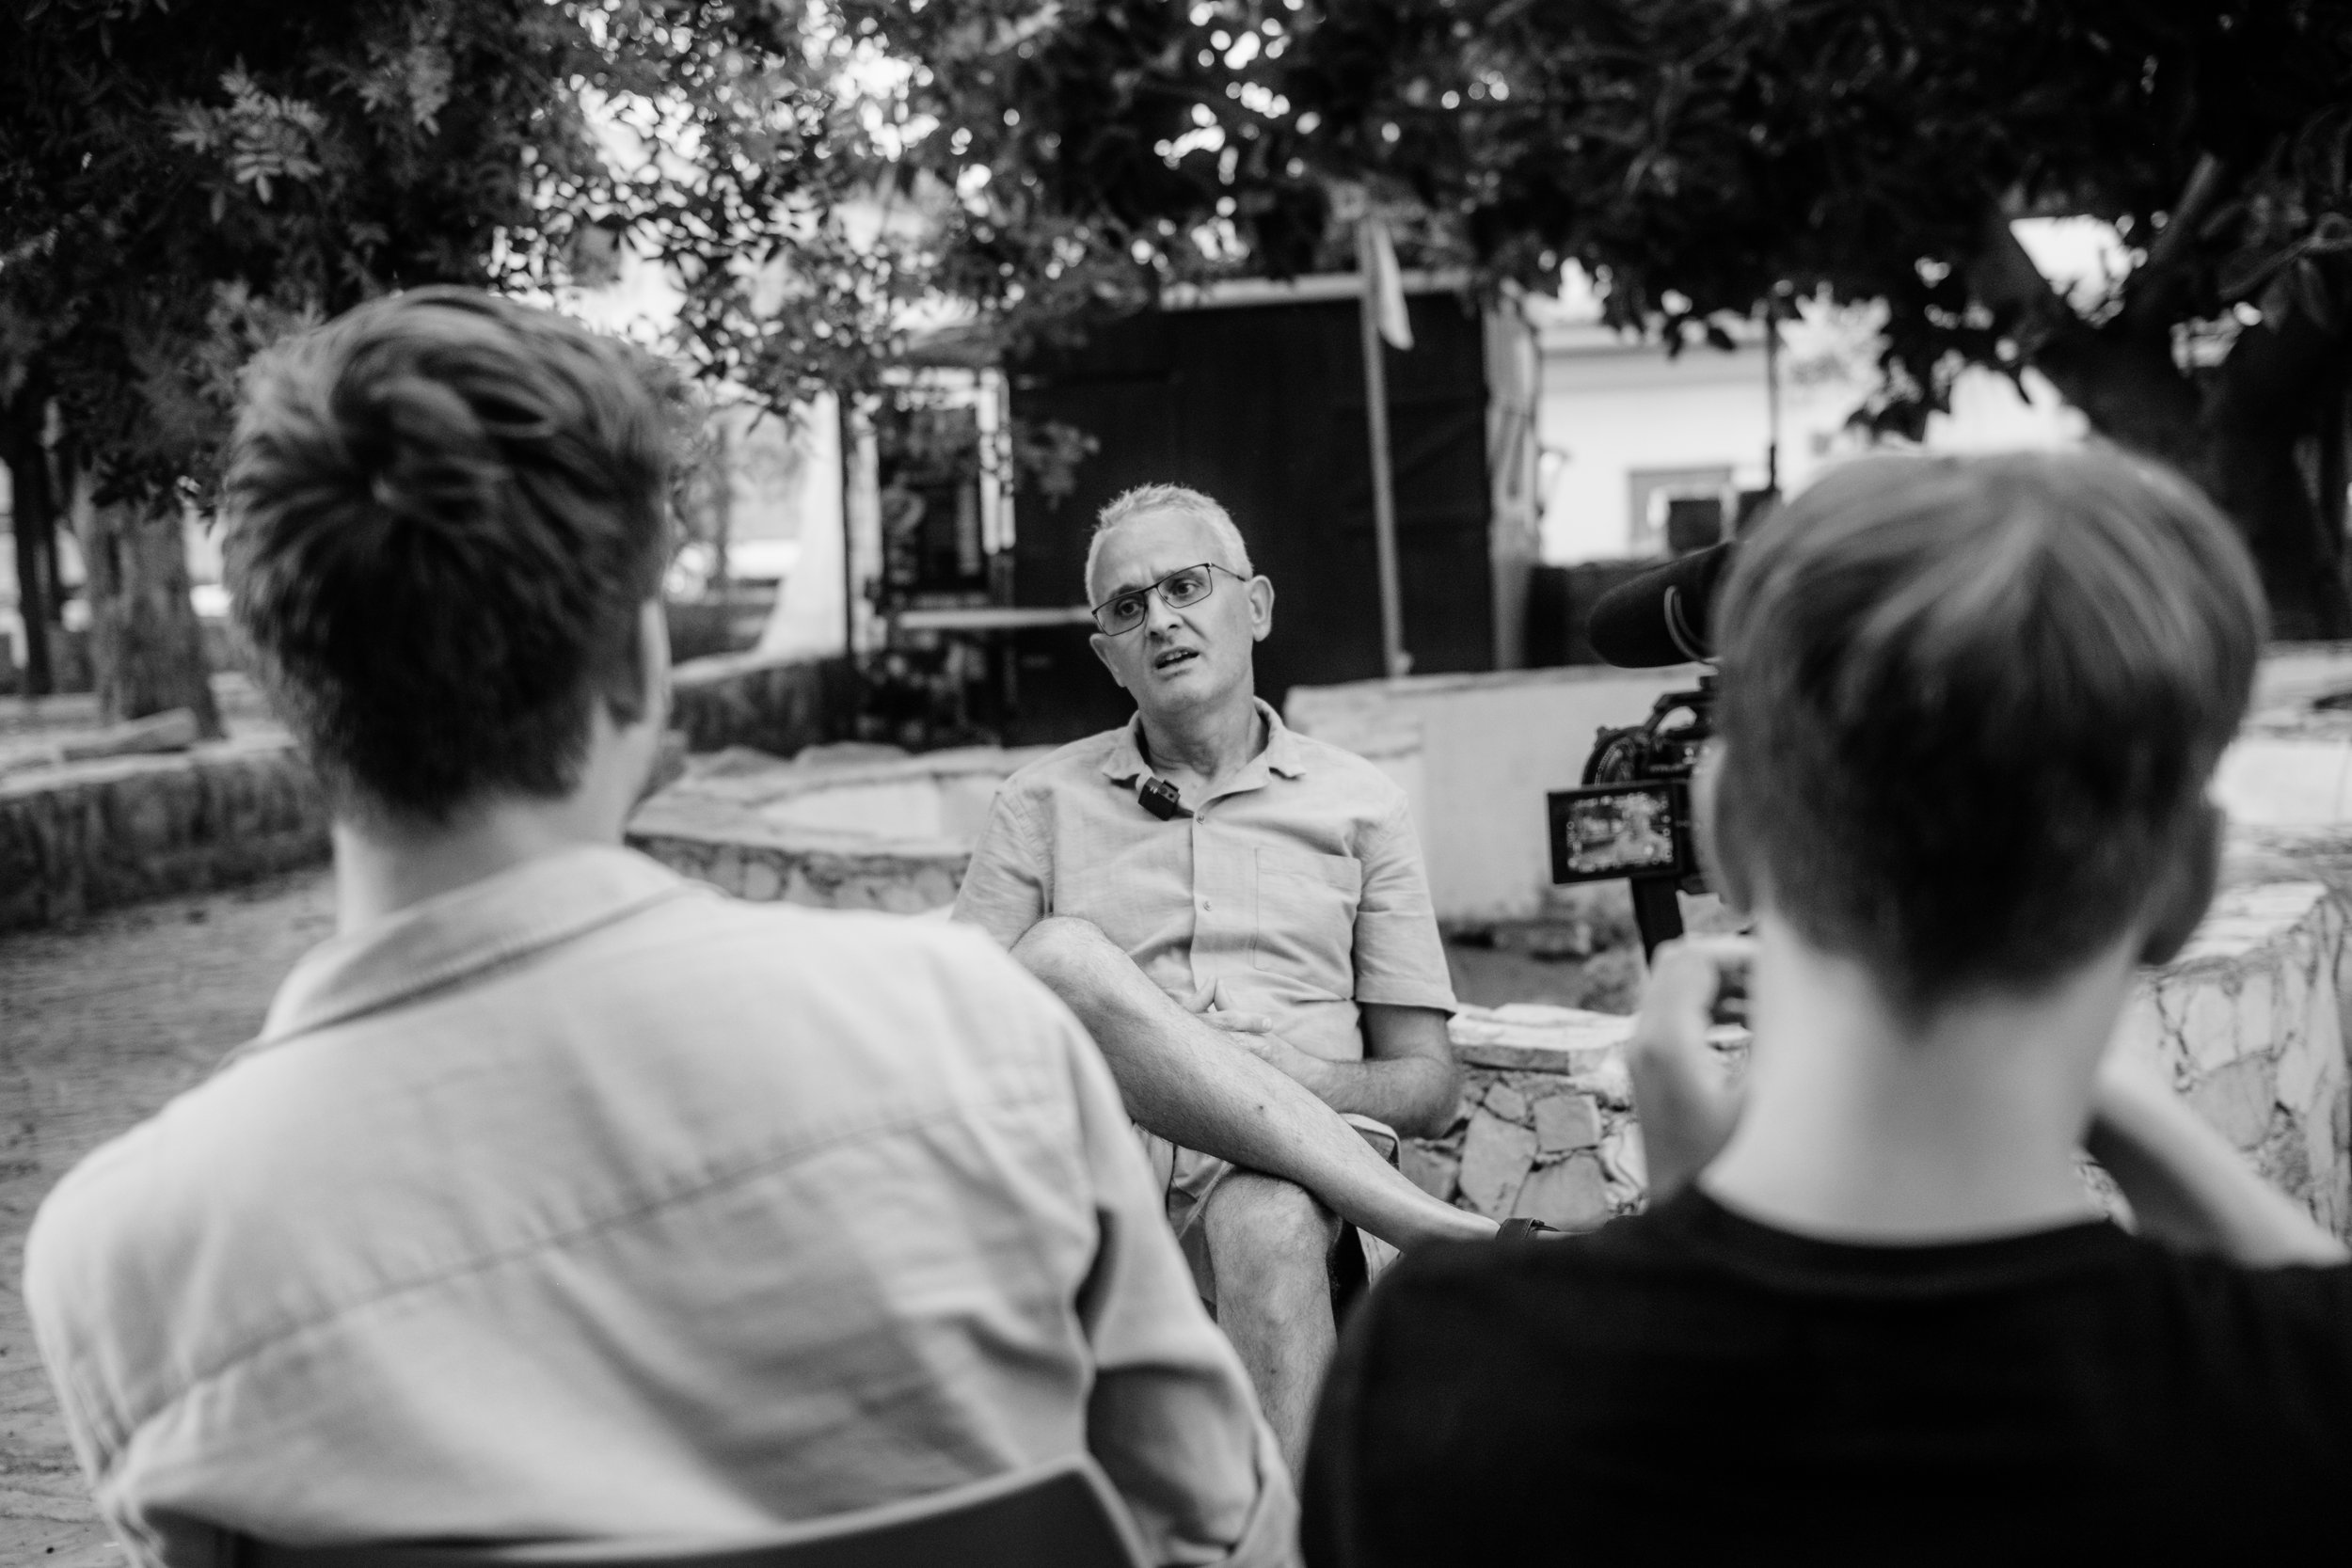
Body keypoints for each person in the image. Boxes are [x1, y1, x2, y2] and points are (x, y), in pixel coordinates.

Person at [23, 291, 1294, 1568]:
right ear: (640, 666)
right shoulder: (976, 1044)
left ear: (288, 699)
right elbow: (1224, 1530)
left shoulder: (129, 1259)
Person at [1302, 449, 2352, 1562]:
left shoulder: (1447, 1369)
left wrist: (1685, 1234)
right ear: (2185, 886)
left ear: (1730, 828)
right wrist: (2117, 1098)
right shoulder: (2293, 1398)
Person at [953, 484, 1498, 1473]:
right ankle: (1438, 1229)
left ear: (1256, 606)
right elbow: (957, 1039)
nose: (1160, 620)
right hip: (1101, 1183)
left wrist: (1302, 1074)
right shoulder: (1036, 804)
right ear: (1107, 656)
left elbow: (1429, 1085)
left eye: (1185, 586)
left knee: (1268, 1213)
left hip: (1305, 1196)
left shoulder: (1360, 806)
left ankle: (1289, 1536)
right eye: (1128, 607)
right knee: (1061, 957)